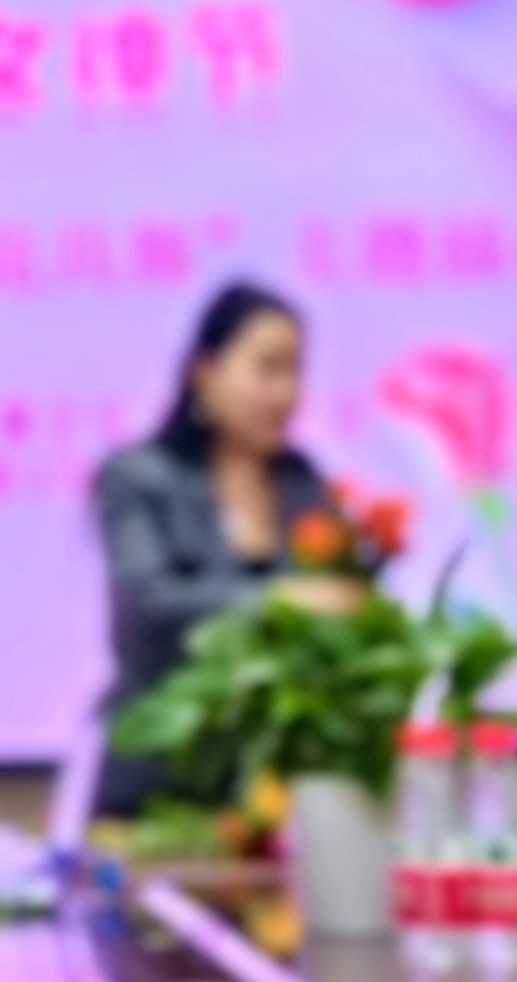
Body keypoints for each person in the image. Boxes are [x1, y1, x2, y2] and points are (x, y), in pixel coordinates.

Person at [90, 283, 339, 814]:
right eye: (267, 369)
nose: (286, 393)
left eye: (295, 371)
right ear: (205, 370)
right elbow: (150, 604)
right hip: (153, 780)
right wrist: (280, 598)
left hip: (273, 791)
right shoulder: (139, 477)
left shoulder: (304, 483)